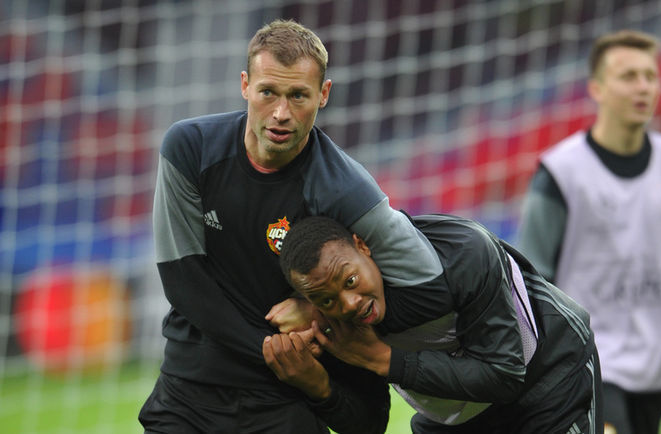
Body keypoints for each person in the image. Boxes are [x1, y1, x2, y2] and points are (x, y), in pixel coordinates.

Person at [138, 19, 447, 434]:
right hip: (192, 386)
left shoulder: (346, 191)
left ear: (324, 94)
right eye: (268, 92)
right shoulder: (191, 149)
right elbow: (183, 279)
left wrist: (321, 308)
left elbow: (430, 288)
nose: (281, 114)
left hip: (284, 397)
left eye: (298, 95)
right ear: (245, 85)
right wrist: (271, 349)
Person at [516, 30, 661, 434]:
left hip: (657, 367)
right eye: (629, 76)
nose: (643, 86)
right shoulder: (561, 171)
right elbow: (531, 278)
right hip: (587, 358)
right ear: (597, 89)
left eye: (650, 76)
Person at [274, 214, 603, 434]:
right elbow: (370, 424)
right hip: (455, 421)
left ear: (363, 246)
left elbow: (504, 377)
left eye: (351, 280)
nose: (349, 304)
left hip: (548, 381)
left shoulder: (462, 254)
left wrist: (382, 359)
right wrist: (319, 386)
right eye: (326, 300)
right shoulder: (335, 322)